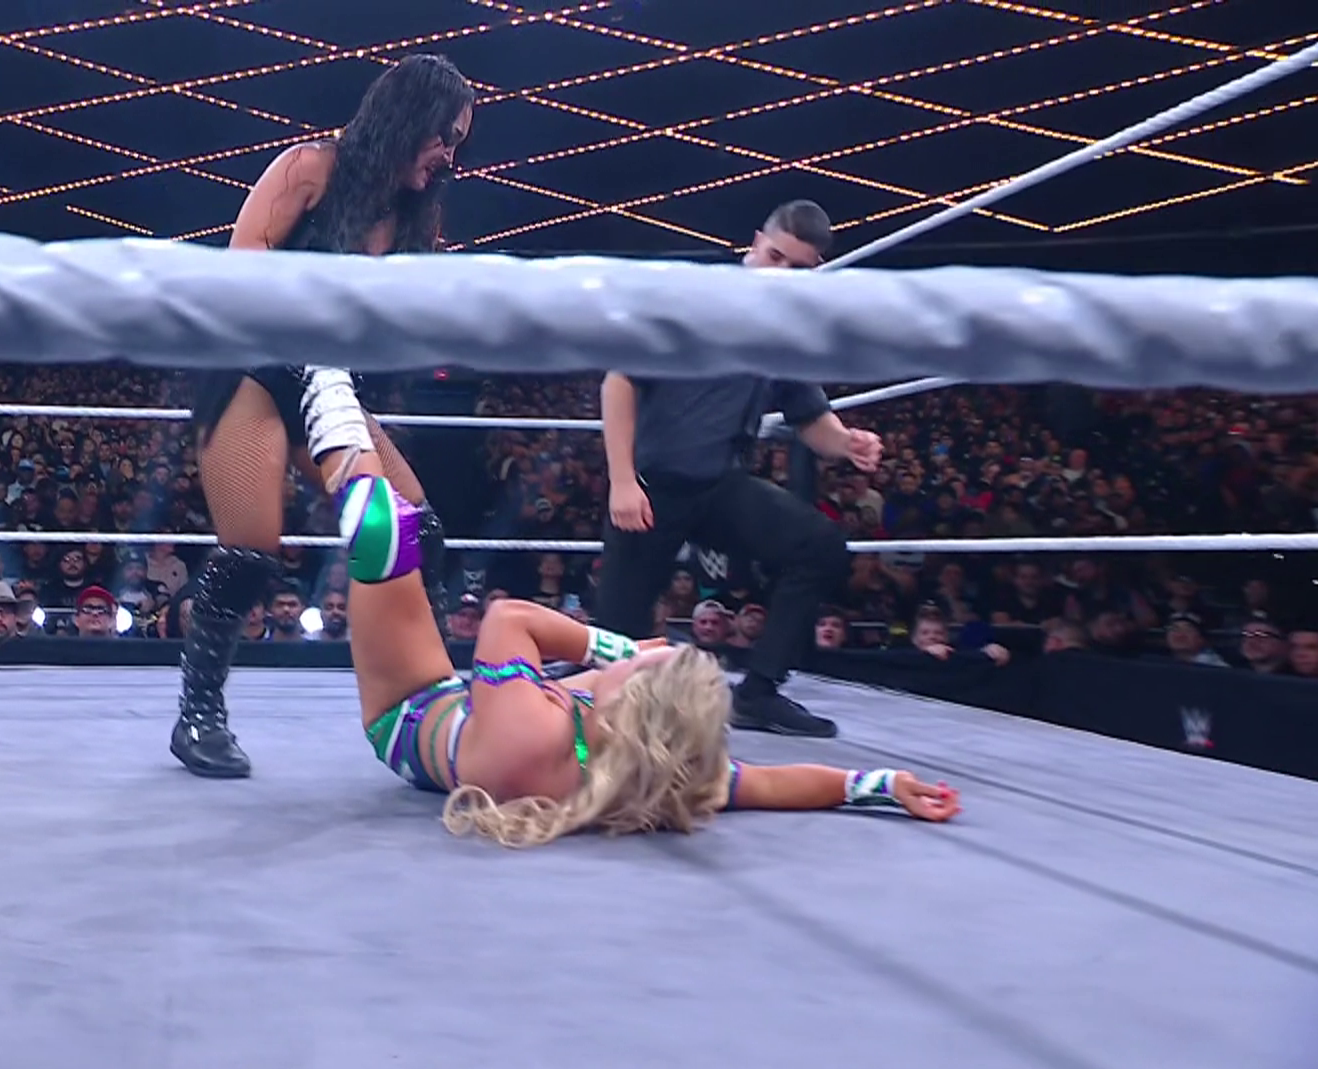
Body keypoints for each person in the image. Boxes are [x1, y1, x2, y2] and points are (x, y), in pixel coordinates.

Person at [295, 372, 960, 847]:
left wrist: (615, 647)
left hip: (412, 708)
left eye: (646, 668)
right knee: (422, 528)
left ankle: (320, 381)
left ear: (638, 703)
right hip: (507, 718)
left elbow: (507, 619)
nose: (646, 651)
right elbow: (773, 783)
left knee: (385, 531)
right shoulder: (661, 773)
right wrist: (877, 784)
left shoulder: (531, 736)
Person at [172, 52, 476, 781]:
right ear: (408, 118)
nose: (449, 154)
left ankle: (432, 705)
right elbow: (240, 271)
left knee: (417, 529)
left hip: (330, 388)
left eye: (459, 143)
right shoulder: (309, 168)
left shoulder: (415, 216)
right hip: (255, 370)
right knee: (252, 550)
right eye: (445, 136)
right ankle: (198, 713)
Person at [597, 200, 882, 739]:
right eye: (774, 257)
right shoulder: (693, 300)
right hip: (653, 487)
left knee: (819, 545)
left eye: (797, 267)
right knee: (616, 645)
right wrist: (622, 481)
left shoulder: (785, 335)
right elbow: (620, 380)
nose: (780, 273)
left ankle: (759, 692)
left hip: (719, 487)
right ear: (754, 244)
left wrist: (848, 443)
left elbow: (810, 419)